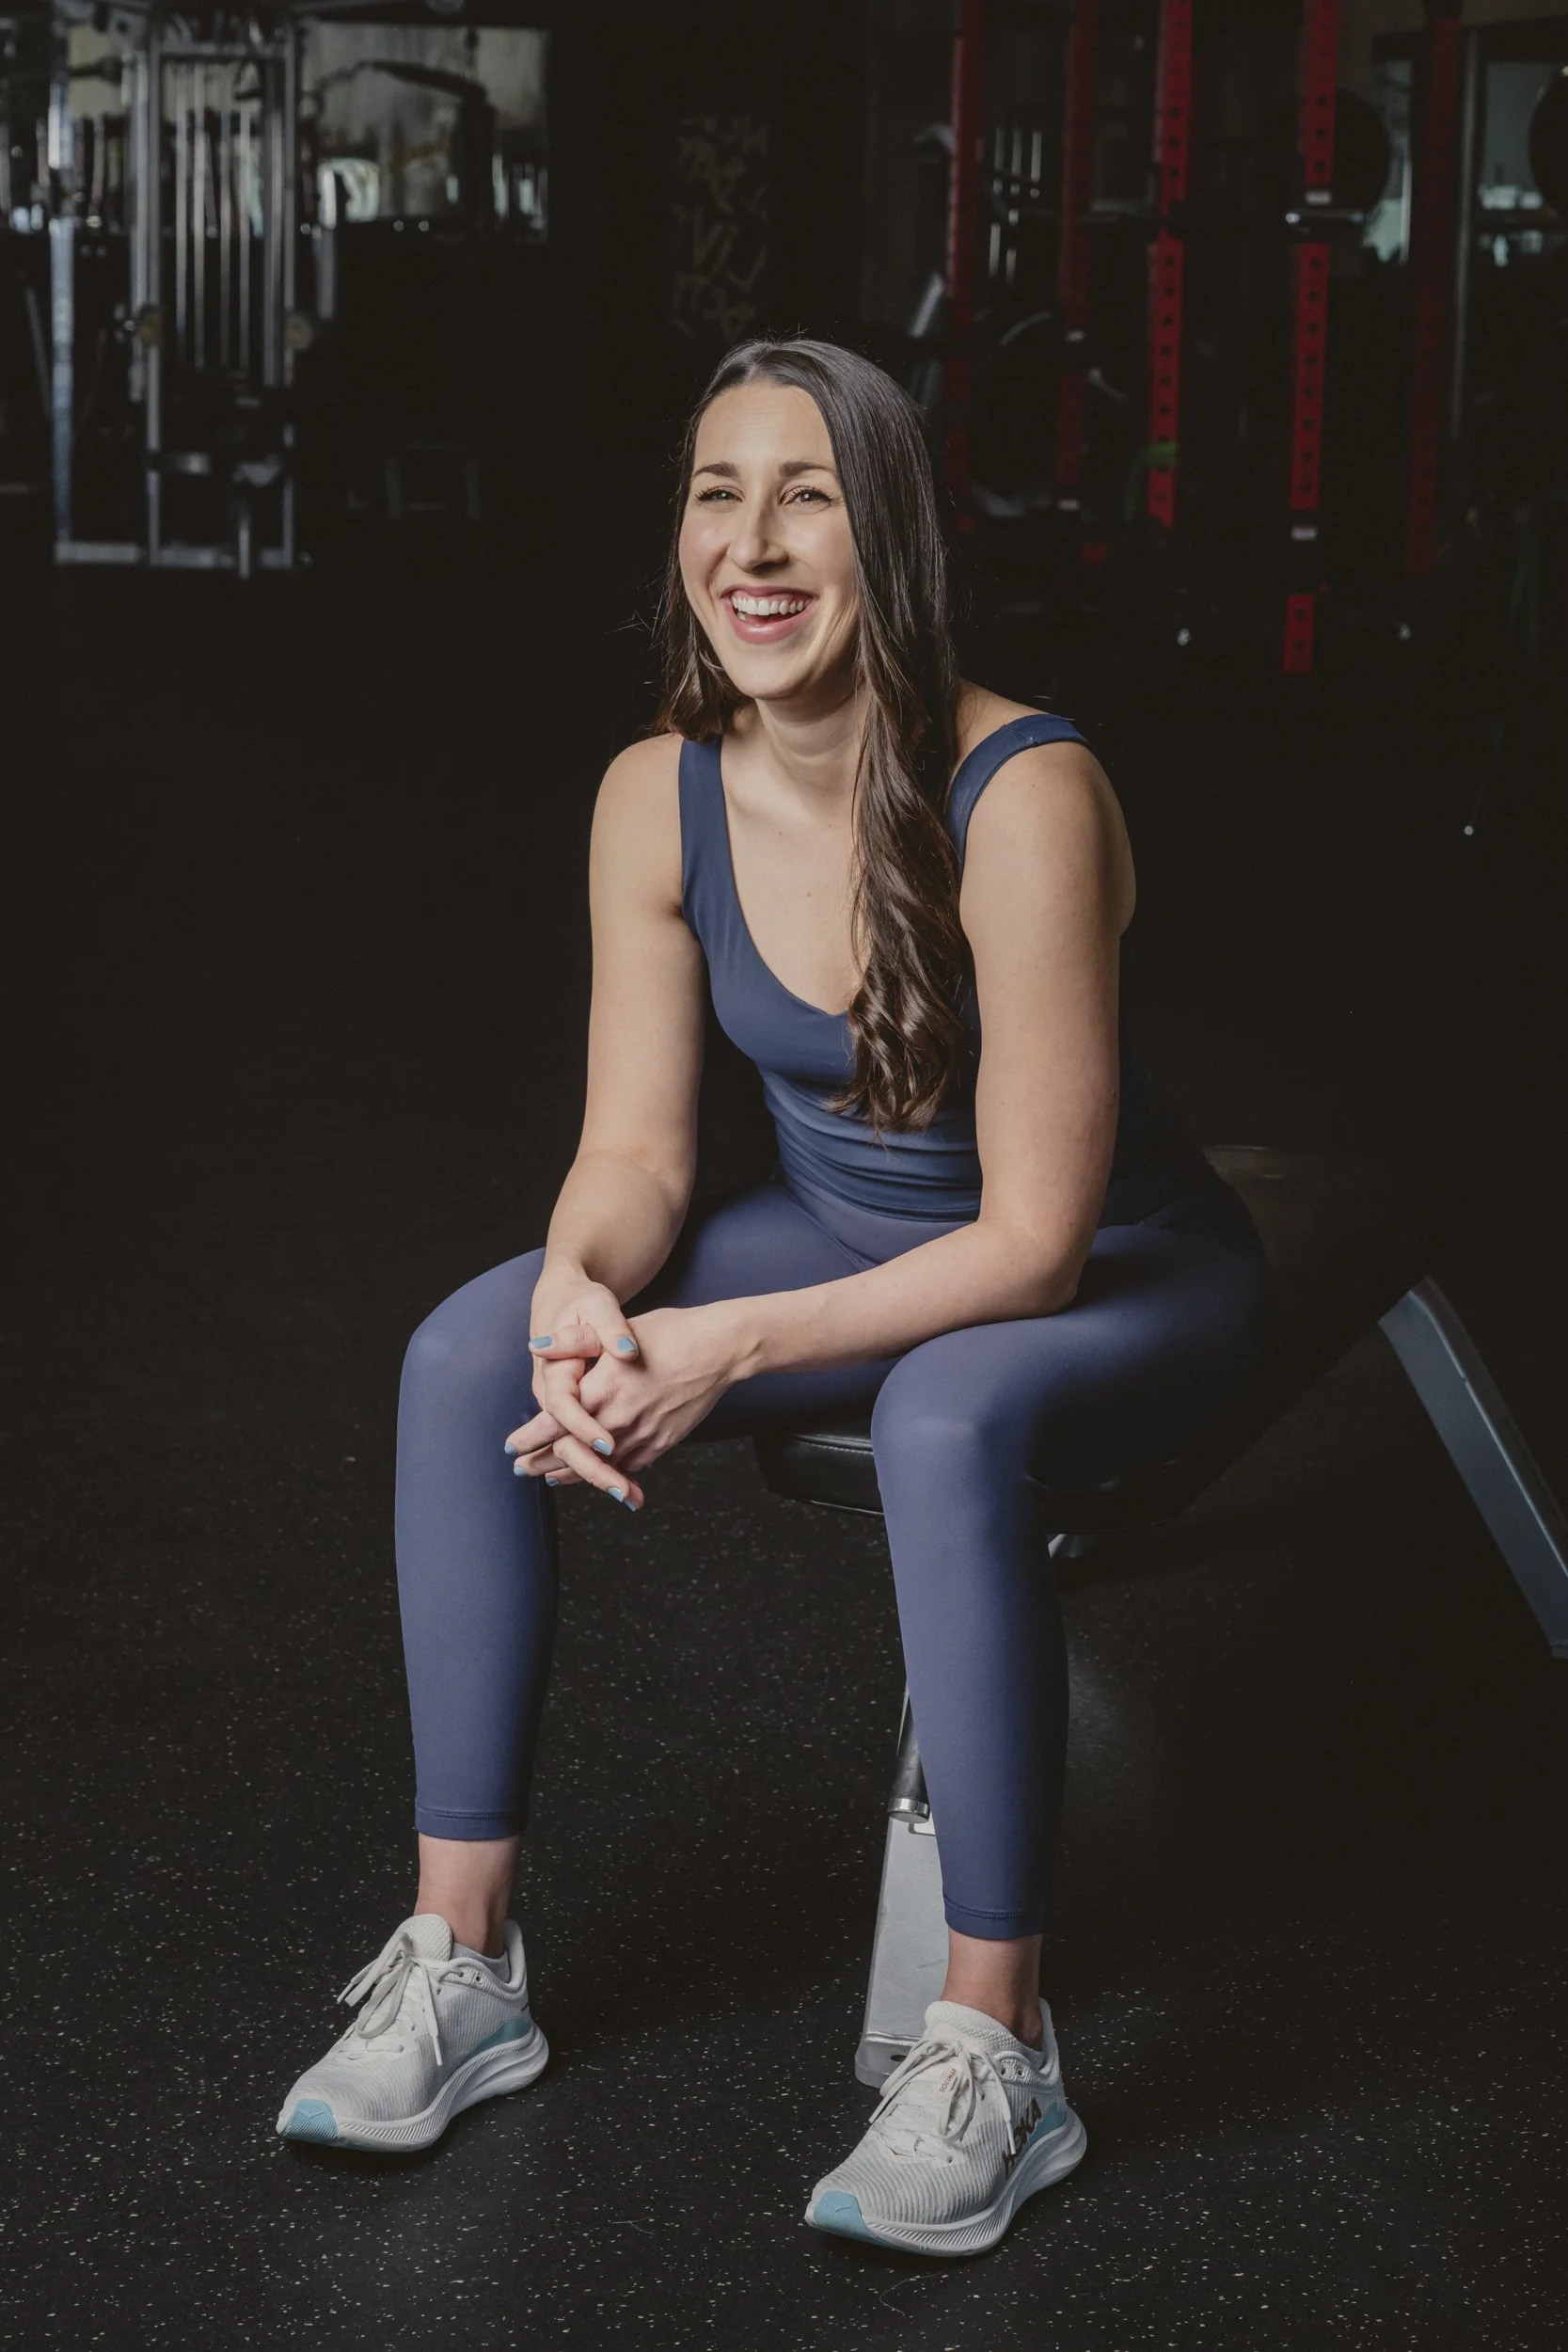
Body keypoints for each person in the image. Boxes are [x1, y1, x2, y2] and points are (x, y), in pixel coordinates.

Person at [276, 337, 1270, 2258]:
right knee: (466, 1344)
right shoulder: (654, 795)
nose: (752, 540)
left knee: (946, 1407)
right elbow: (642, 1153)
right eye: (714, 494)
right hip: (837, 1230)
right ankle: (461, 1954)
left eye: (803, 491)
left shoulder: (1023, 788)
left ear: (883, 532)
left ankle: (994, 2043)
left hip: (1108, 1269)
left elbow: (1029, 1245)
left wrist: (724, 1338)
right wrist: (581, 1280)